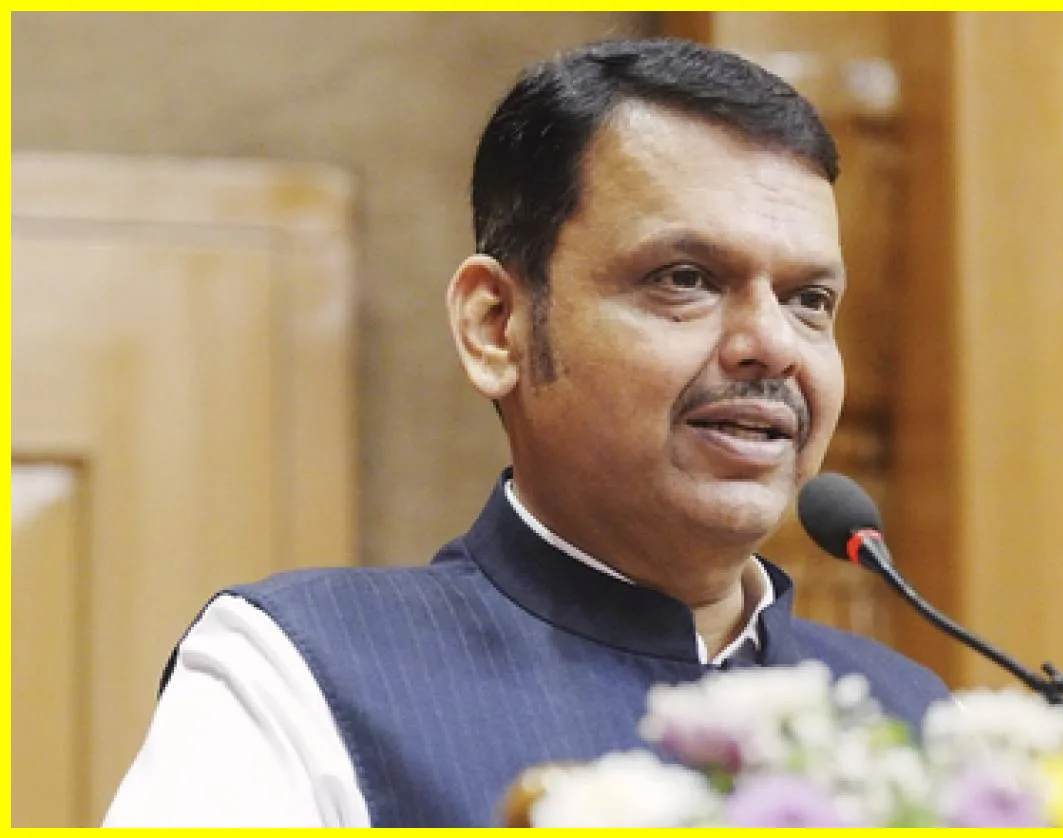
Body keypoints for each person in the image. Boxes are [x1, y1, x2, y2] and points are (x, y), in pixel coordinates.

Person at [103, 37, 949, 828]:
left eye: (809, 300)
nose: (770, 343)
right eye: (685, 279)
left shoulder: (914, 723)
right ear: (496, 327)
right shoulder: (300, 674)